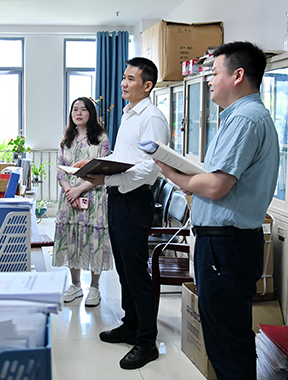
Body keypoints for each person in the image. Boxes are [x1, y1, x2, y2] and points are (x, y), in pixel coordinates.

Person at [155, 42, 279, 380]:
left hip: (227, 245)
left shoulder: (245, 119)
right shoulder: (243, 117)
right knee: (226, 336)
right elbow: (215, 181)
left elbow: (215, 186)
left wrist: (171, 173)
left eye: (214, 72)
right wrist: (189, 181)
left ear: (238, 75)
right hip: (225, 244)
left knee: (227, 343)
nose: (208, 79)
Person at [81, 57, 169, 370]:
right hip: (118, 199)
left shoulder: (152, 118)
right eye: (124, 77)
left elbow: (151, 168)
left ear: (147, 85)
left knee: (136, 273)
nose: (124, 83)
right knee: (123, 270)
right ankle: (130, 325)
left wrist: (107, 179)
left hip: (135, 200)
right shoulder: (128, 114)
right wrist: (94, 168)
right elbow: (123, 156)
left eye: (131, 79)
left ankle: (147, 341)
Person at [53, 97, 112, 307]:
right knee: (72, 237)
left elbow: (102, 170)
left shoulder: (101, 139)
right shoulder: (66, 141)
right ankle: (75, 285)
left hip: (93, 196)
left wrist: (79, 189)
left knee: (94, 239)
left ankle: (94, 287)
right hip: (70, 199)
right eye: (75, 110)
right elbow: (60, 171)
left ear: (91, 113)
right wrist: (70, 191)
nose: (78, 113)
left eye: (83, 109)